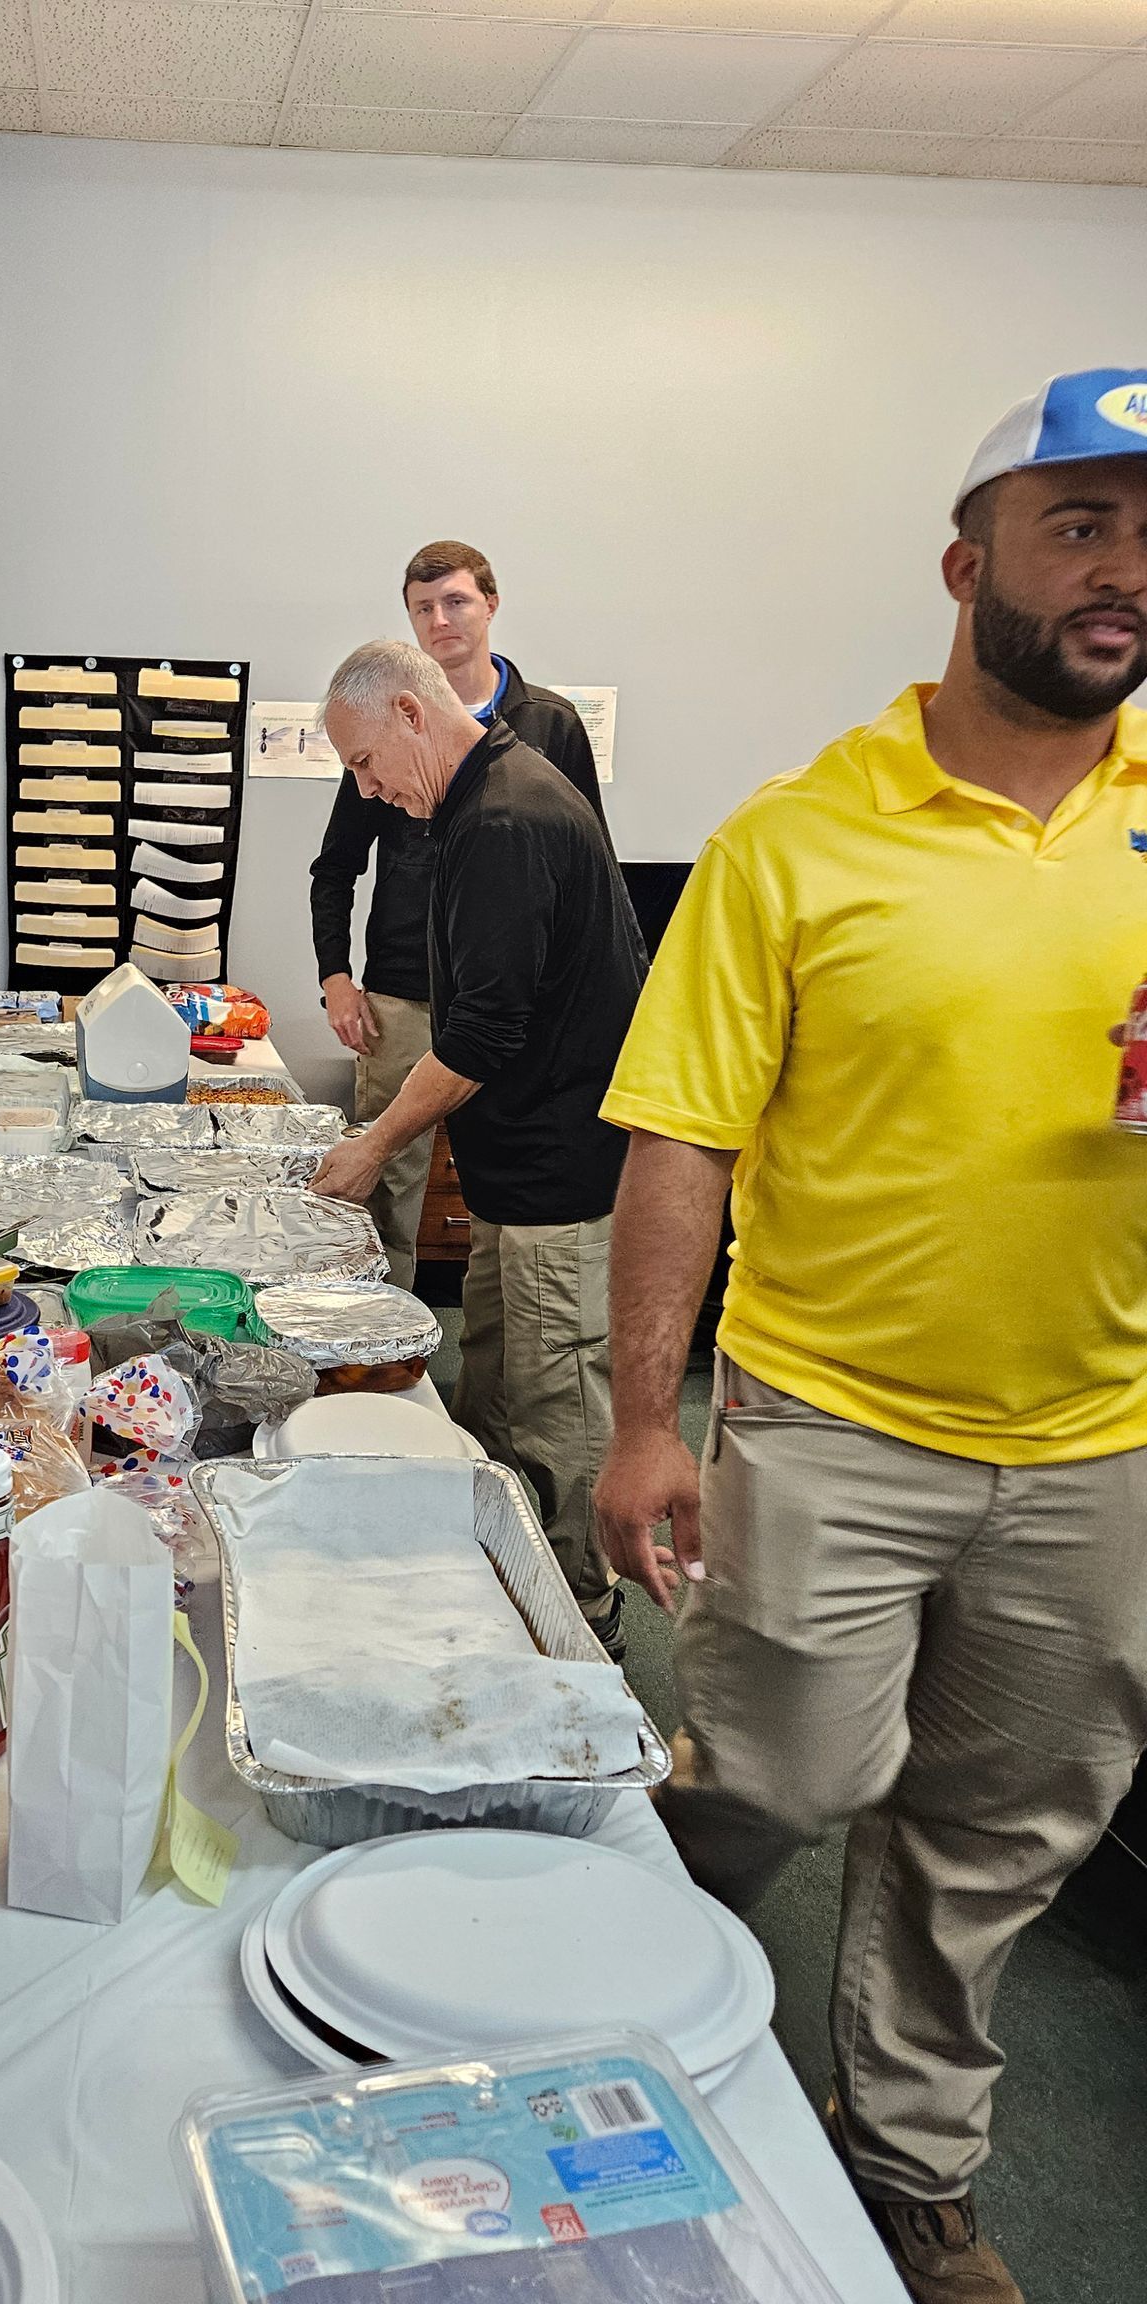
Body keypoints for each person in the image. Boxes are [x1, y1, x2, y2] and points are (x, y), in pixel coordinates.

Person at [592, 368, 1147, 2304]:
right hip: (832, 1415)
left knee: (998, 1832)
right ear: (966, 557)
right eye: (1079, 522)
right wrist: (644, 1420)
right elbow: (682, 1136)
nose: (1123, 571)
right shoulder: (799, 834)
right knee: (778, 1775)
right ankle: (609, 1975)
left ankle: (912, 2165)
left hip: (1101, 1439)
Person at [311, 640, 644, 1653]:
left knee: (548, 1405)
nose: (366, 790)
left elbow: (481, 1038)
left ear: (413, 715)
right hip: (519, 1168)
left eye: (365, 763)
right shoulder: (472, 801)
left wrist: (372, 1146)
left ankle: (578, 1618)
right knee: (494, 1391)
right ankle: (504, 1579)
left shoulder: (504, 817)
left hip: (557, 1170)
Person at [308, 540, 605, 1287]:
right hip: (409, 985)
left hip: (509, 1023)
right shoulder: (411, 749)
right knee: (407, 1197)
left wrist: (371, 1145)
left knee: (494, 1214)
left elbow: (493, 1018)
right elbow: (335, 864)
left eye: (456, 601)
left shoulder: (523, 771)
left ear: (490, 605)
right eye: (422, 608)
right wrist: (337, 977)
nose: (371, 789)